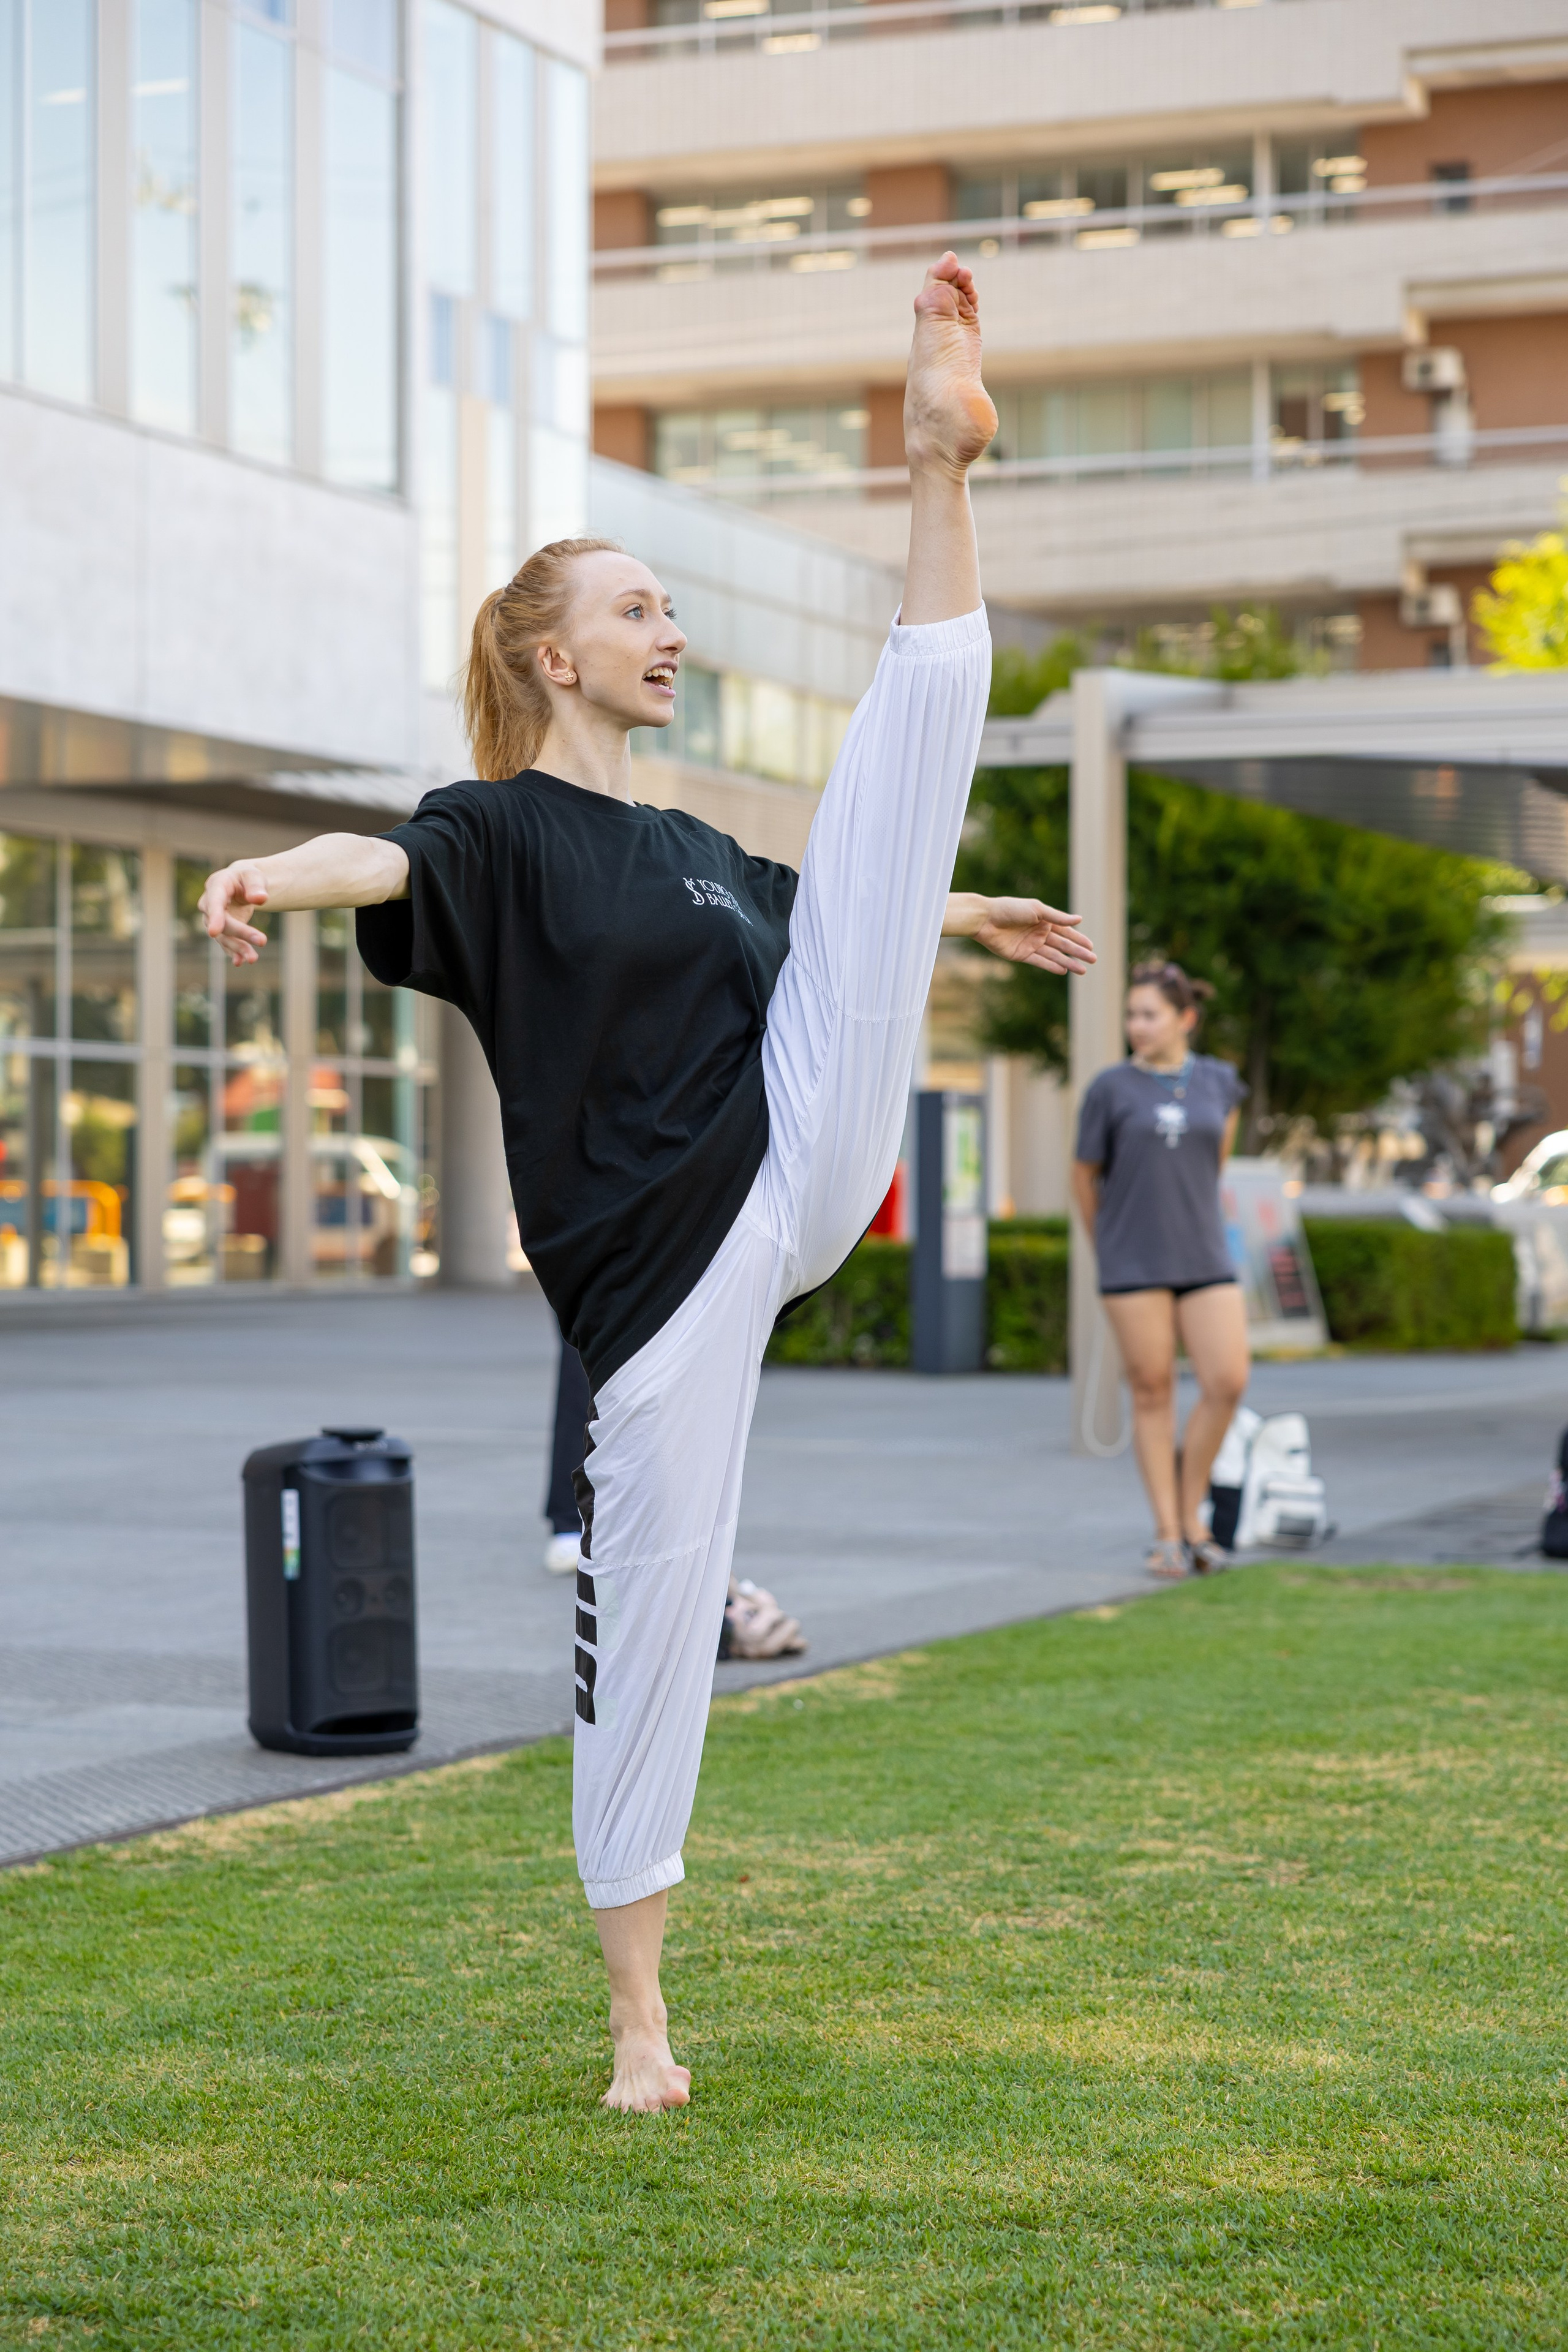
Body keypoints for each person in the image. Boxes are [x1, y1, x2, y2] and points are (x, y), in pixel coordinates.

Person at [200, 254, 1095, 2112]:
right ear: (554, 654)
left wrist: (968, 906)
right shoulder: (496, 831)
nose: (670, 635)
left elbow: (833, 911)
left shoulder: (695, 845)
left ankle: (940, 467)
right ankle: (638, 2019)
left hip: (798, 1147)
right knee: (651, 1603)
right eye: (638, 611)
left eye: (671, 608)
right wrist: (275, 872)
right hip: (656, 1267)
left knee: (857, 834)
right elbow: (383, 852)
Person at [1070, 960, 1250, 1580]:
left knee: (1226, 1381)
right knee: (1152, 1392)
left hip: (1202, 1254)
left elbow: (1212, 1167)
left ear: (1186, 1020)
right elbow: (1084, 1177)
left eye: (1148, 1015)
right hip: (1132, 1260)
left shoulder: (1222, 1085)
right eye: (1130, 1015)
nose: (1136, 1026)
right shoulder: (1109, 1089)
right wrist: (1109, 1244)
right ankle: (1170, 1534)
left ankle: (1192, 1509)